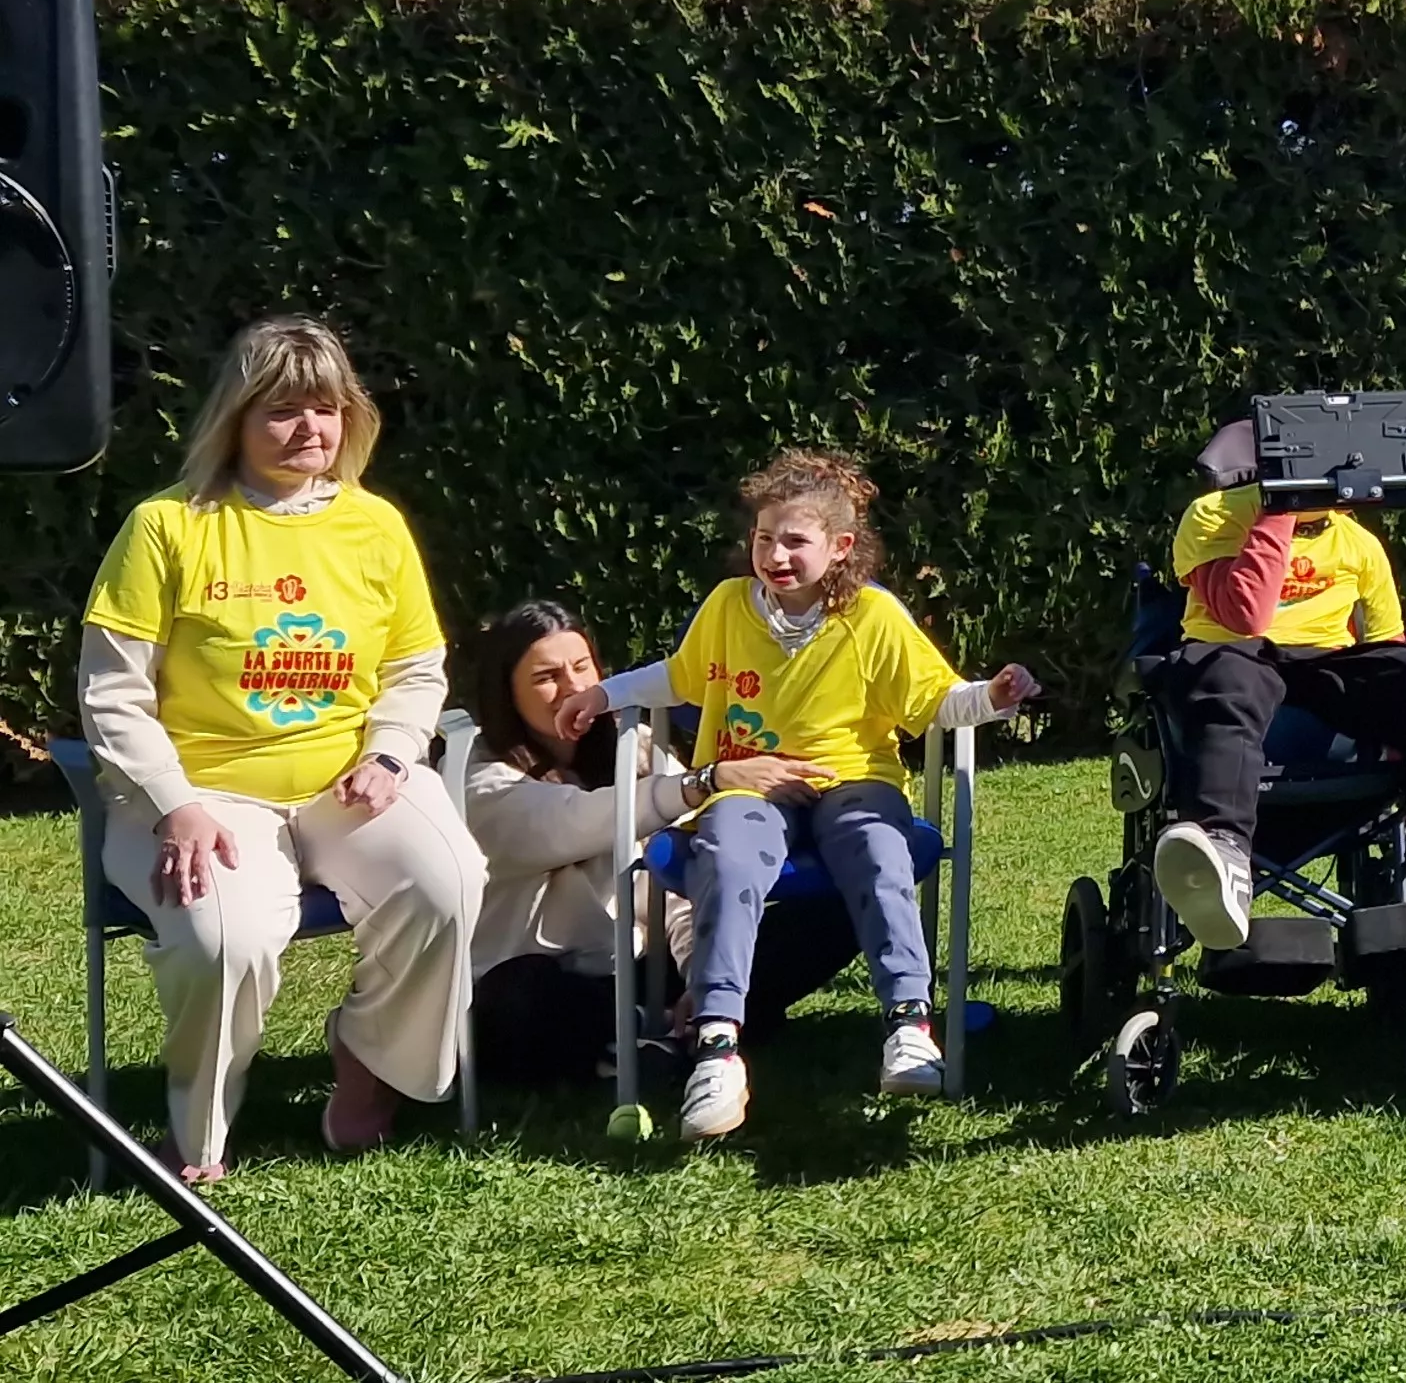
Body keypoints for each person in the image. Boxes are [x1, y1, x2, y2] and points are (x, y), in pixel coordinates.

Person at [75, 315, 487, 1182]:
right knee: (224, 937)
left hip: (345, 777)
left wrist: (392, 752)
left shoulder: (375, 526)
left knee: (449, 882)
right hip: (201, 793)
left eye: (327, 409)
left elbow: (417, 666)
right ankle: (199, 1140)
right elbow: (112, 691)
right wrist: (172, 803)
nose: (311, 430)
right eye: (284, 411)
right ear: (237, 418)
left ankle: (371, 1059)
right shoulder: (168, 526)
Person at [555, 448, 1036, 1139]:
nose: (774, 554)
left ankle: (908, 1023)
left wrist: (992, 697)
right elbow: (683, 677)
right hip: (749, 778)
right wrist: (605, 692)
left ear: (840, 548)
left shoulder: (873, 616)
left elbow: (935, 703)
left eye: (794, 540)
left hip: (853, 780)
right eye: (763, 538)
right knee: (727, 851)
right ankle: (717, 1045)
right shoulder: (728, 607)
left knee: (877, 847)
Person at [1144, 420, 1406, 975]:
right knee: (1228, 672)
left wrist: (1403, 731)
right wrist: (1280, 508)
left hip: (1326, 661)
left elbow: (1387, 644)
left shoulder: (1355, 541)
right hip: (1232, 651)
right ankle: (1225, 854)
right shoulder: (1213, 516)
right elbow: (1241, 615)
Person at [460, 600, 856, 1086]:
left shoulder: (639, 747)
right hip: (551, 975)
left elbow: (680, 885)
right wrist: (702, 782)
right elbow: (571, 823)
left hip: (645, 966)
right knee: (516, 998)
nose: (573, 688)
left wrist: (700, 975)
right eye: (547, 677)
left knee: (833, 909)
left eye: (582, 667)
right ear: (507, 692)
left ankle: (689, 1023)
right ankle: (662, 1037)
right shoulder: (478, 776)